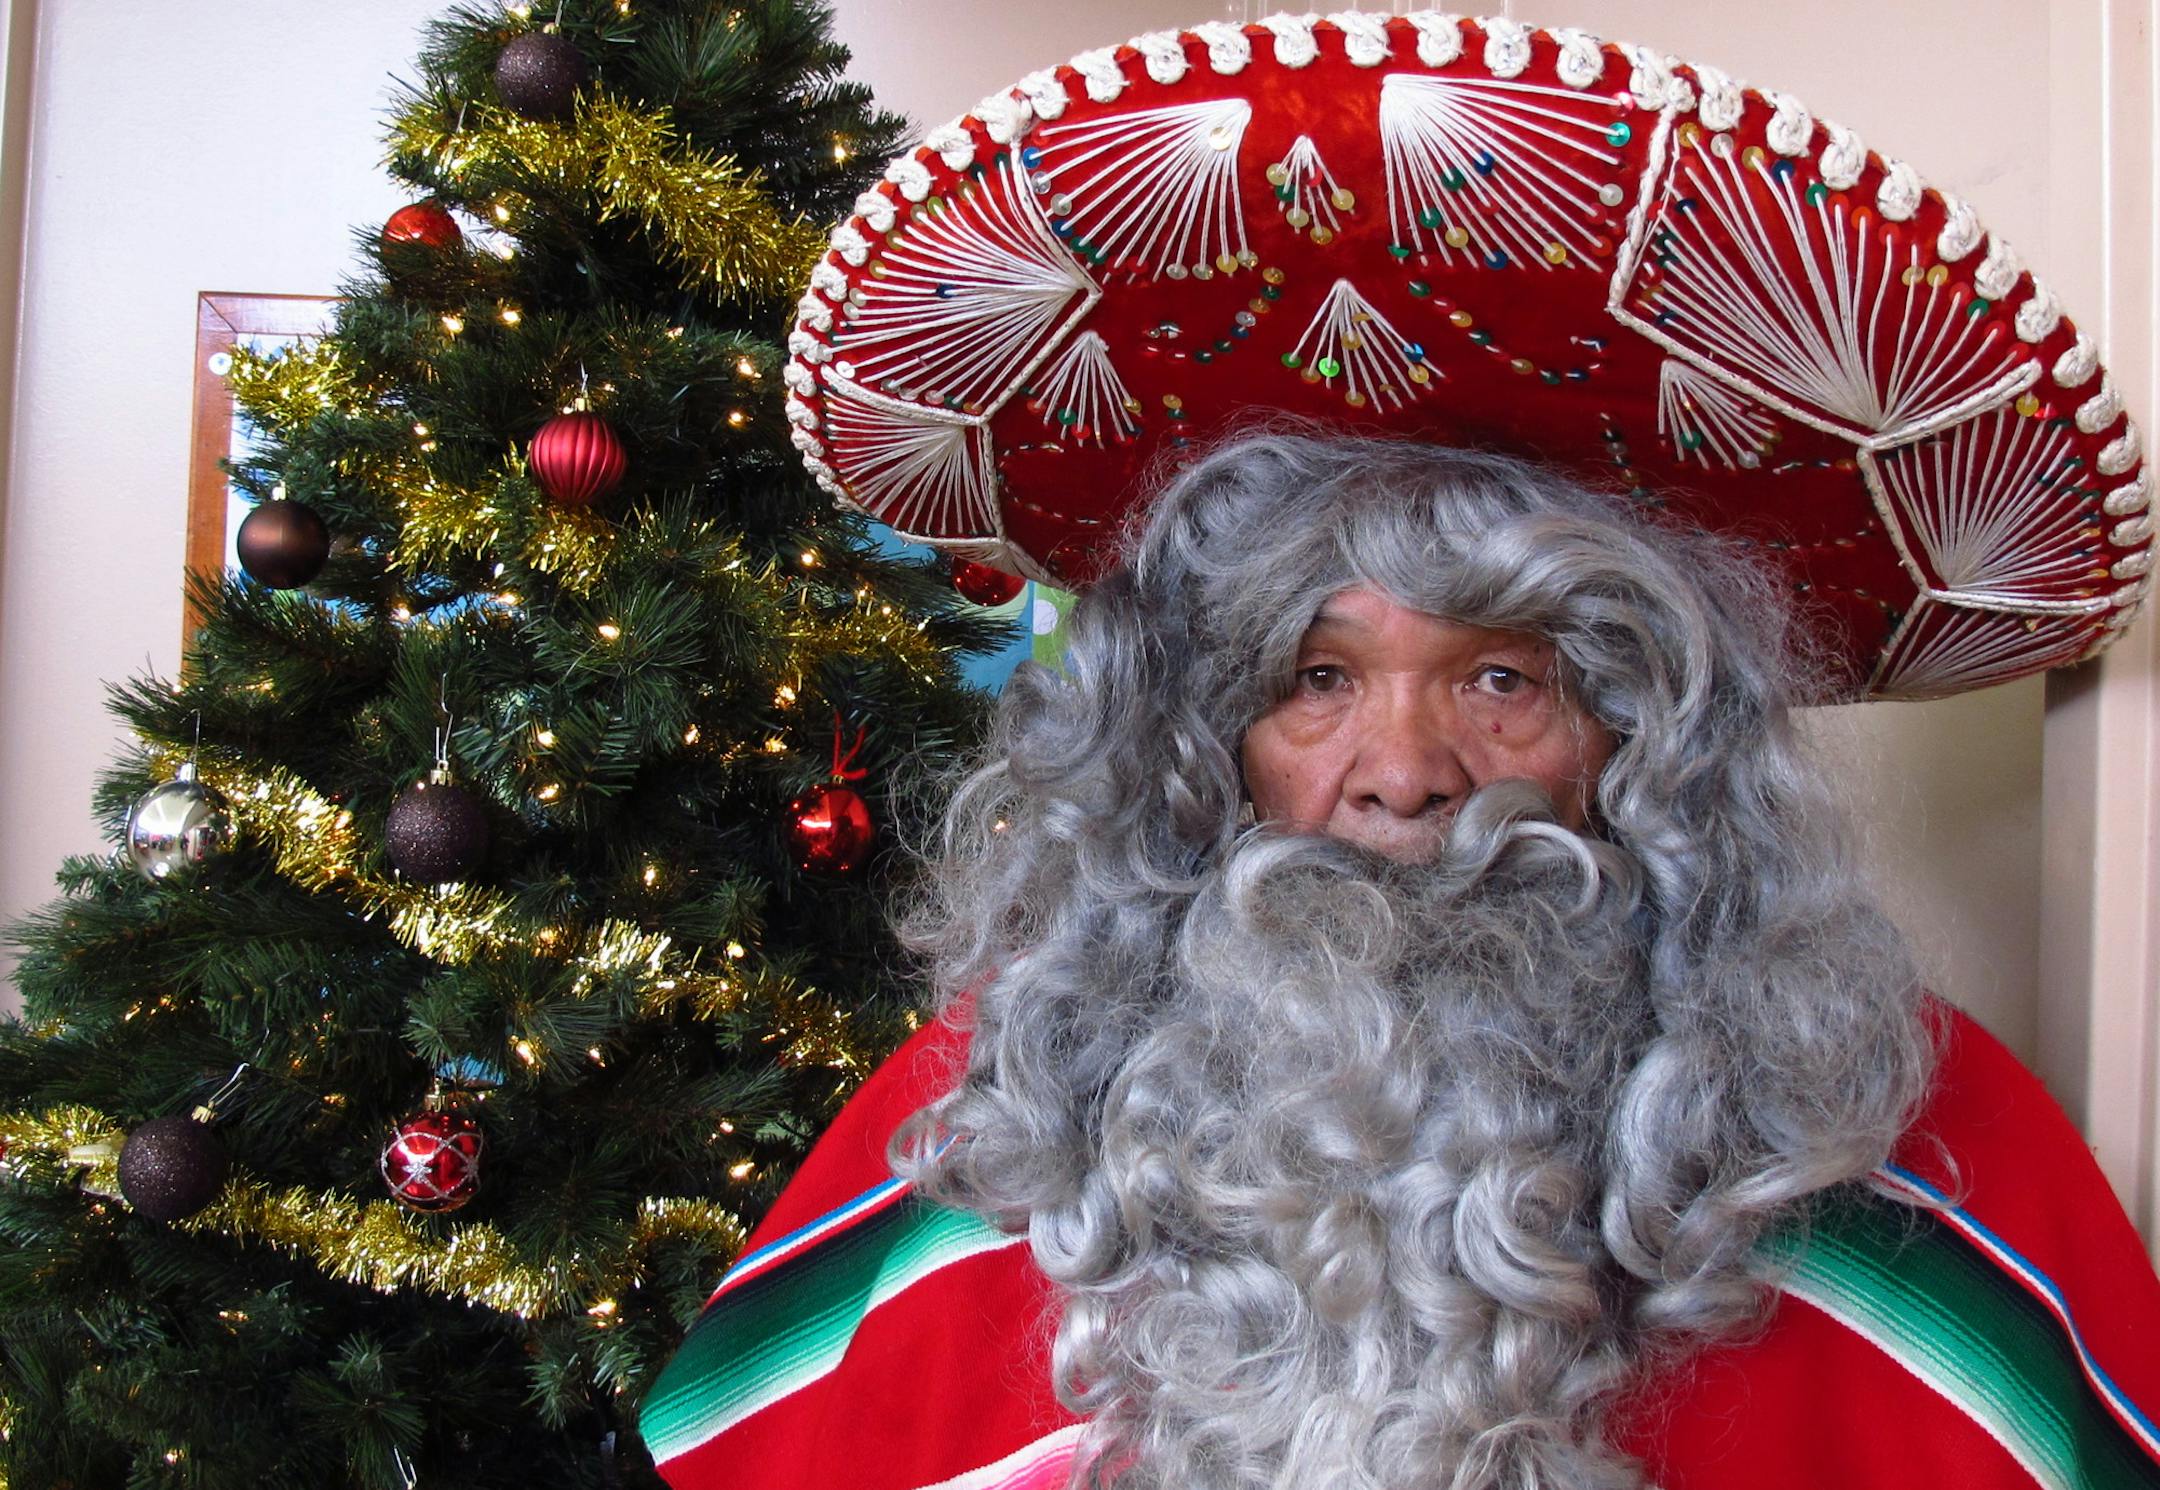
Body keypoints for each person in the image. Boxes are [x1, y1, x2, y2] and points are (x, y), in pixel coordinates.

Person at [642, 428, 2160, 1490]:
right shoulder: (1010, 1099)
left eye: (1502, 676)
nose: (1405, 772)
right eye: (1319, 681)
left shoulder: (1897, 1121)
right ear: (1202, 743)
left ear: (1642, 738)